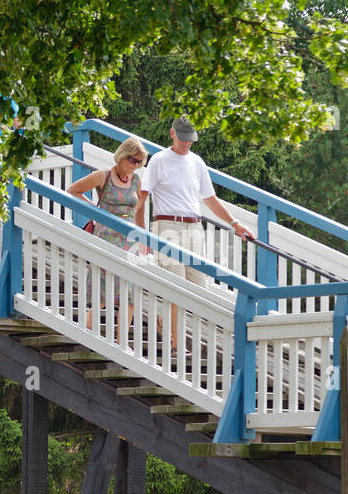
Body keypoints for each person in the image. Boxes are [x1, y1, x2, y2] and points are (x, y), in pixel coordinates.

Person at [134, 117, 255, 356]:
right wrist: (143, 235)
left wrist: (235, 223)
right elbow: (142, 199)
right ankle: (177, 345)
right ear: (172, 134)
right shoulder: (158, 160)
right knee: (176, 286)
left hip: (194, 228)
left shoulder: (197, 162)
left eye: (190, 140)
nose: (186, 144)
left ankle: (163, 321)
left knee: (199, 288)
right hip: (167, 227)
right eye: (182, 139)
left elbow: (210, 199)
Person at [67, 135, 148, 331]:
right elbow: (73, 190)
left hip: (129, 239)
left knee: (129, 288)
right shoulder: (103, 175)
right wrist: (97, 213)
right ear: (122, 155)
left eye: (140, 161)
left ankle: (122, 340)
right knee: (103, 283)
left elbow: (140, 209)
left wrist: (143, 237)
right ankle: (88, 325)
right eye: (133, 160)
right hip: (106, 237)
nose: (136, 165)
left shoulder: (136, 180)